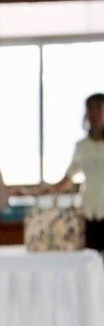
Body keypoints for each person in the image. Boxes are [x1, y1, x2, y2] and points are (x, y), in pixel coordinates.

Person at [43, 93, 104, 252]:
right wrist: (45, 191)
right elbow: (68, 178)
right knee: (91, 255)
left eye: (99, 109)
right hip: (89, 210)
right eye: (91, 109)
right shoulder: (82, 146)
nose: (95, 114)